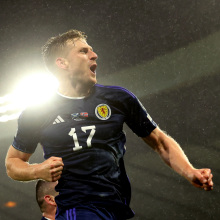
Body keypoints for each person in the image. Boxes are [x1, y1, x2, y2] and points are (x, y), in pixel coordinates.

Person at [5, 29, 213, 220]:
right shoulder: (37, 112)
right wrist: (36, 170)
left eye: (92, 51)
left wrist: (189, 170)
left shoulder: (118, 99)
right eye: (84, 51)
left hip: (117, 208)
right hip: (77, 208)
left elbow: (160, 142)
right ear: (62, 63)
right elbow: (13, 162)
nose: (94, 55)